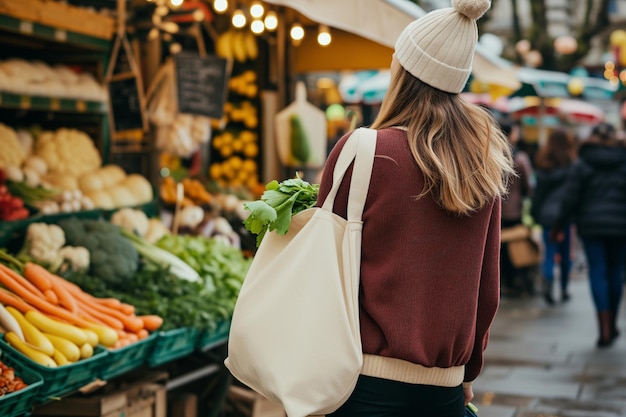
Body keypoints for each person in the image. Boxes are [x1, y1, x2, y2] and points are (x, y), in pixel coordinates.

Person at [315, 1, 515, 415]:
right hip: (444, 389)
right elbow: (486, 289)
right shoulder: (484, 162)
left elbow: (323, 267)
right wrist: (467, 374)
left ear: (401, 70)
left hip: (360, 383)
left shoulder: (364, 150)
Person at [552, 122, 626, 348]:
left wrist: (559, 225)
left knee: (598, 272)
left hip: (591, 226)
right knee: (616, 272)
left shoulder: (583, 162)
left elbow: (570, 197)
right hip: (621, 227)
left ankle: (603, 327)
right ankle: (612, 323)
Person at [531, 128, 577, 305]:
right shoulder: (573, 164)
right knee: (566, 255)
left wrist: (535, 214)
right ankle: (564, 289)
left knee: (549, 253)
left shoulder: (544, 163)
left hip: (547, 217)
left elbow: (538, 194)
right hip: (566, 217)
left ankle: (548, 285)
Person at [499, 119, 535, 296]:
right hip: (514, 209)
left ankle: (503, 280)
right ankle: (516, 279)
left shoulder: (492, 152)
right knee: (515, 245)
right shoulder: (520, 157)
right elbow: (529, 184)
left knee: (499, 247)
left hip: (496, 210)